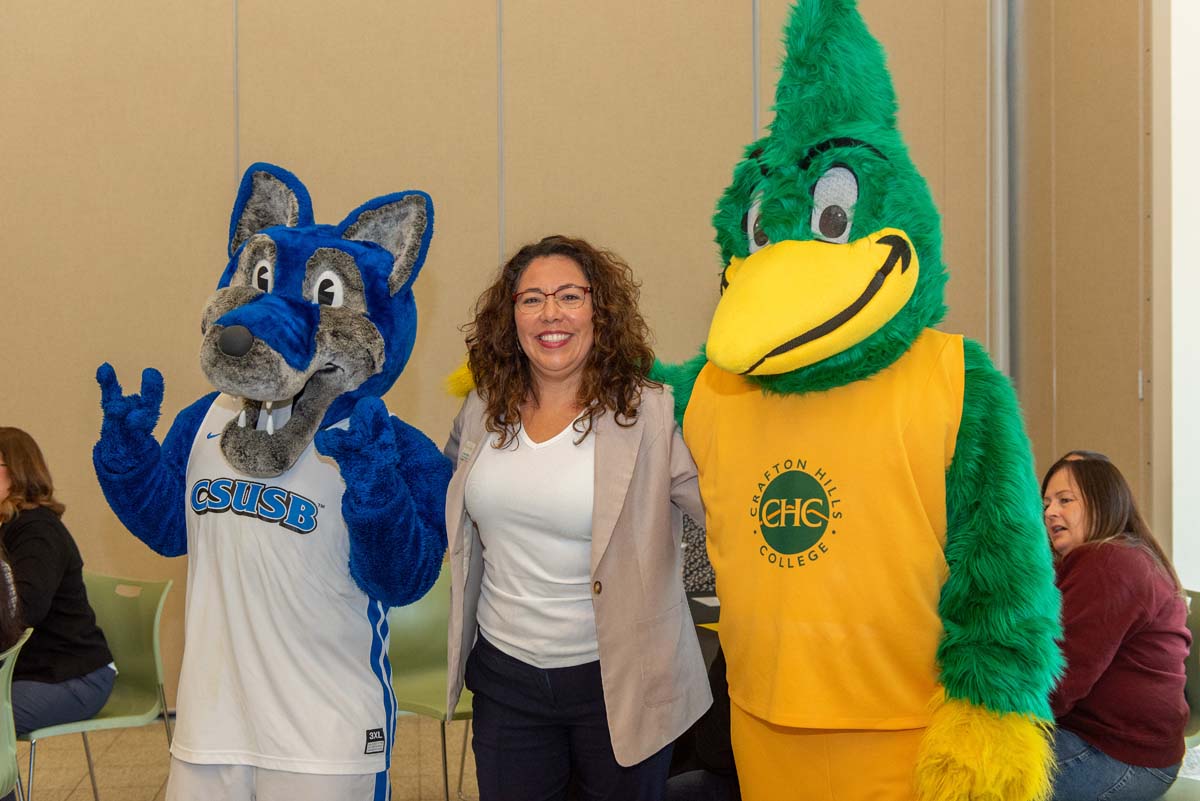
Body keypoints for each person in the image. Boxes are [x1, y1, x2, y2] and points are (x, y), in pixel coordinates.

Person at [444, 235, 711, 801]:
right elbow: (436, 499)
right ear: (510, 316)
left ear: (599, 309)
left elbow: (721, 517)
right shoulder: (480, 410)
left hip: (619, 684)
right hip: (506, 678)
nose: (551, 314)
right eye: (531, 299)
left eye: (569, 295)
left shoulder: (652, 412)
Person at [1042, 454, 1188, 801]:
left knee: (968, 769)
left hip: (1120, 756)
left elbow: (1057, 683)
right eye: (1045, 503)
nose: (1049, 512)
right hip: (1136, 750)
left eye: (1065, 500)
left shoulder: (1108, 562)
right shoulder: (1125, 555)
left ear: (1103, 503)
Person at [0, 427, 114, 736]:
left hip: (72, 675)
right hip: (29, 671)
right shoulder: (7, 526)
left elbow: (25, 611)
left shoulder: (36, 531)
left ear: (18, 473)